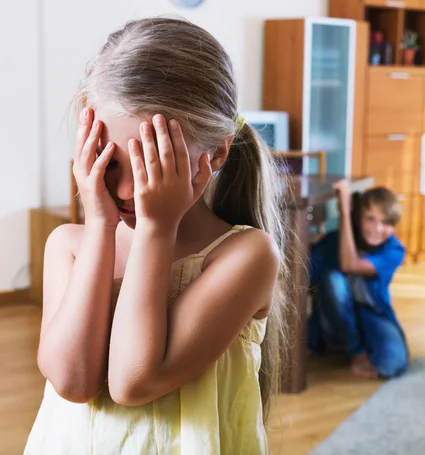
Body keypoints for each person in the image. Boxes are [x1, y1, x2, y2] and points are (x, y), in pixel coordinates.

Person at [25, 17, 291, 454]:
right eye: (109, 162)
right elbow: (71, 382)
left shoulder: (245, 255)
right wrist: (100, 229)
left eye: (153, 167)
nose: (129, 190)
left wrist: (155, 229)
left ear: (218, 152)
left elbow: (134, 382)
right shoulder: (69, 246)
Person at [308, 180, 409, 379]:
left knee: (393, 363)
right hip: (333, 317)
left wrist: (344, 212)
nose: (378, 229)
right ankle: (356, 350)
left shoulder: (394, 250)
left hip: (372, 314)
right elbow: (304, 275)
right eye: (370, 219)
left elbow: (350, 264)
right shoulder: (335, 240)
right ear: (358, 218)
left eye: (386, 223)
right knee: (333, 280)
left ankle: (348, 344)